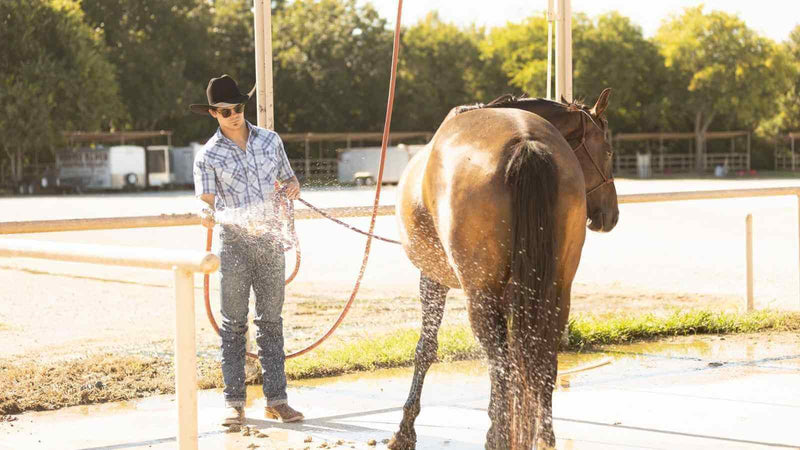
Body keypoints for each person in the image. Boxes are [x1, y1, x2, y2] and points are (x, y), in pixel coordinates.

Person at [190, 74, 303, 427]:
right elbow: (205, 202)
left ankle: (277, 400)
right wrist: (206, 215)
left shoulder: (270, 140)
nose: (234, 115)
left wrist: (292, 188)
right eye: (225, 111)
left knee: (271, 322)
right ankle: (234, 403)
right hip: (235, 244)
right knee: (234, 324)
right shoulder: (207, 156)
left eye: (237, 108)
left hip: (270, 240)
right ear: (214, 114)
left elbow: (289, 179)